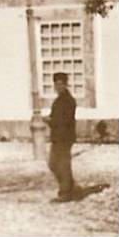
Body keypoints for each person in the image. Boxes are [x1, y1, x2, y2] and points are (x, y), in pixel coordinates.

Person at [45, 72, 80, 202]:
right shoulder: (58, 100)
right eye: (56, 84)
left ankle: (65, 193)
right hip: (57, 137)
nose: (58, 86)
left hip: (65, 137)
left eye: (61, 84)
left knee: (61, 164)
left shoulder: (69, 101)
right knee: (54, 164)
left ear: (66, 84)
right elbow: (56, 117)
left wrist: (50, 120)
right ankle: (70, 187)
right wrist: (50, 119)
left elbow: (65, 121)